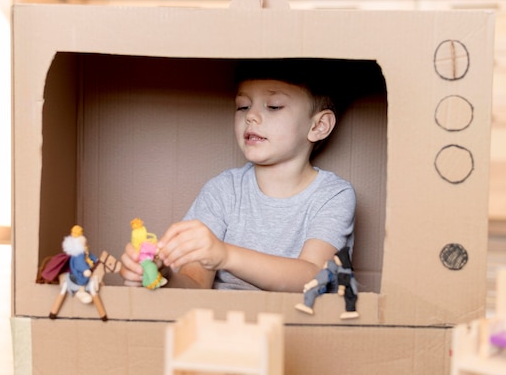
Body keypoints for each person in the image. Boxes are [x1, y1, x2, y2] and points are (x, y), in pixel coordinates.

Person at [120, 59, 356, 292]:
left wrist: (225, 255)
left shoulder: (333, 195)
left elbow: (314, 275)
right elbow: (194, 284)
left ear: (319, 126)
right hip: (224, 323)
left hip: (300, 324)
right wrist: (163, 277)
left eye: (273, 106)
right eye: (243, 106)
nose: (251, 116)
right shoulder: (222, 190)